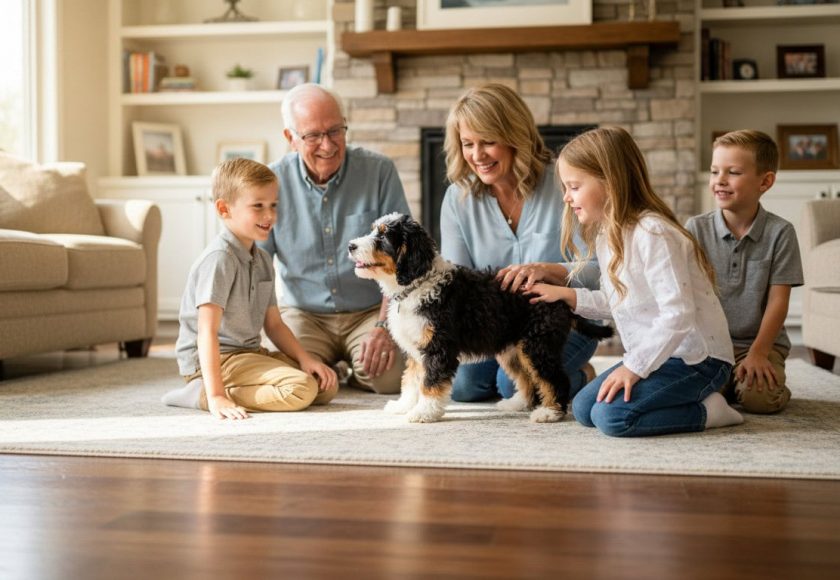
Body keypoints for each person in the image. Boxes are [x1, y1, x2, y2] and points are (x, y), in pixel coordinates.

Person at [527, 126, 741, 437]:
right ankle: (679, 396)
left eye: (573, 186)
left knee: (613, 418)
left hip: (698, 358)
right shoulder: (609, 234)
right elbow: (622, 303)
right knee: (587, 410)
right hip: (662, 355)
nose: (566, 197)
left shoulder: (653, 233)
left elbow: (678, 313)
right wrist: (567, 296)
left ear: (610, 183)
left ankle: (710, 410)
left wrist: (634, 368)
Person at [439, 83, 600, 403]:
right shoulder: (457, 198)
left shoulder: (563, 185)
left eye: (488, 142)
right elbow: (454, 282)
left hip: (562, 317)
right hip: (494, 323)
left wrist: (548, 270)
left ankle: (582, 378)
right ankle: (561, 376)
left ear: (514, 136)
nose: (477, 155)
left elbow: (600, 271)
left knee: (515, 385)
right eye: (468, 143)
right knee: (462, 386)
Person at [259, 83, 410, 394]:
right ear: (291, 138)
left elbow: (402, 257)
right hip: (304, 315)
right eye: (313, 135)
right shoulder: (269, 183)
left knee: (391, 380)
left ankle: (351, 370)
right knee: (296, 385)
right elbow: (256, 266)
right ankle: (333, 367)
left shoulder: (379, 171)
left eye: (335, 131)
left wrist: (383, 326)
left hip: (369, 311)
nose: (327, 145)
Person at [163, 158, 338, 419]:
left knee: (324, 386)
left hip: (248, 354)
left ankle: (229, 387)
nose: (269, 216)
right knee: (301, 389)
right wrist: (217, 396)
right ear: (224, 209)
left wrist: (306, 359)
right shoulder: (219, 260)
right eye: (258, 206)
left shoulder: (264, 260)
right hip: (215, 360)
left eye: (273, 206)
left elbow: (275, 326)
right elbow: (206, 333)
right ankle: (199, 393)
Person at [686, 130, 803, 414]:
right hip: (709, 345)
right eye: (715, 171)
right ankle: (727, 385)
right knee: (688, 392)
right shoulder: (695, 228)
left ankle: (762, 385)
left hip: (759, 344)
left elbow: (778, 302)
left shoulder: (781, 233)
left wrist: (759, 353)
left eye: (733, 172)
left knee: (758, 399)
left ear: (765, 181)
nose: (719, 180)